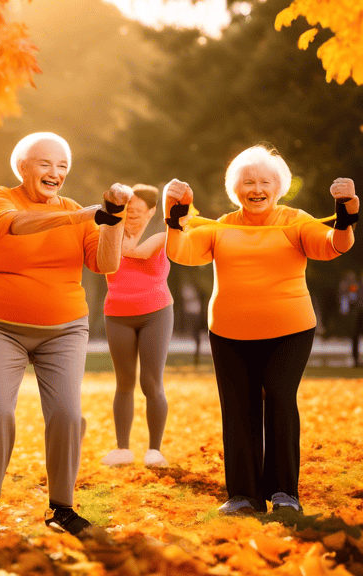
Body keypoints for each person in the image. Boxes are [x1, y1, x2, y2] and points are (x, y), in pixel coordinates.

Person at [164, 145, 356, 515]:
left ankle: (285, 492)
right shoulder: (221, 226)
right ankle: (244, 496)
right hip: (228, 332)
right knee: (238, 409)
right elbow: (181, 252)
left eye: (264, 182)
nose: (256, 189)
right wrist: (175, 216)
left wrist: (346, 211)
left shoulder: (295, 220)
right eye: (247, 182)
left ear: (278, 186)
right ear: (236, 189)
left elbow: (335, 245)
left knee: (280, 400)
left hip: (290, 329)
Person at [0, 132, 132, 538]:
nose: (55, 173)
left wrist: (114, 216)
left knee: (67, 415)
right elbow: (18, 227)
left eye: (62, 166)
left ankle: (62, 507)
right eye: (45, 164)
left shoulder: (79, 211)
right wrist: (86, 215)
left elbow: (106, 262)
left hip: (64, 329)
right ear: (22, 167)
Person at [100, 185, 173, 468]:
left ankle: (154, 450)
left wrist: (114, 234)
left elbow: (137, 253)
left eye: (138, 211)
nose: (131, 215)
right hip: (117, 313)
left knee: (151, 383)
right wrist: (113, 228)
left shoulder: (161, 236)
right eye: (127, 210)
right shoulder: (110, 233)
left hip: (156, 313)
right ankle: (122, 449)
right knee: (124, 382)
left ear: (152, 212)